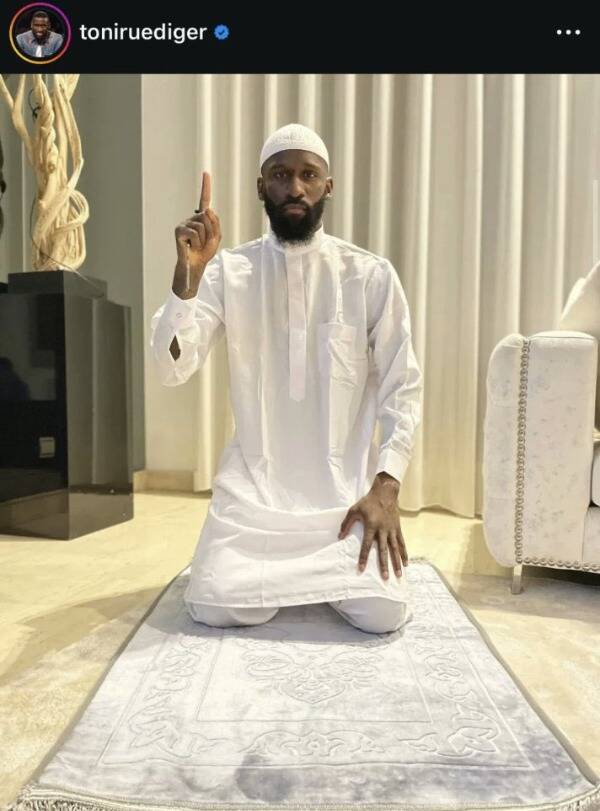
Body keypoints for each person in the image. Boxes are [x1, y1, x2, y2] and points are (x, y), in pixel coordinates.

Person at [150, 123, 423, 634]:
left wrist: (386, 487)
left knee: (382, 614)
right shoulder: (228, 272)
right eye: (280, 175)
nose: (294, 188)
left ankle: (316, 579)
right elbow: (172, 367)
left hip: (344, 497)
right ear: (261, 187)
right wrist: (186, 279)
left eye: (308, 175)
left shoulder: (369, 274)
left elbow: (402, 386)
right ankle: (291, 580)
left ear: (328, 186)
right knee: (215, 606)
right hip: (254, 499)